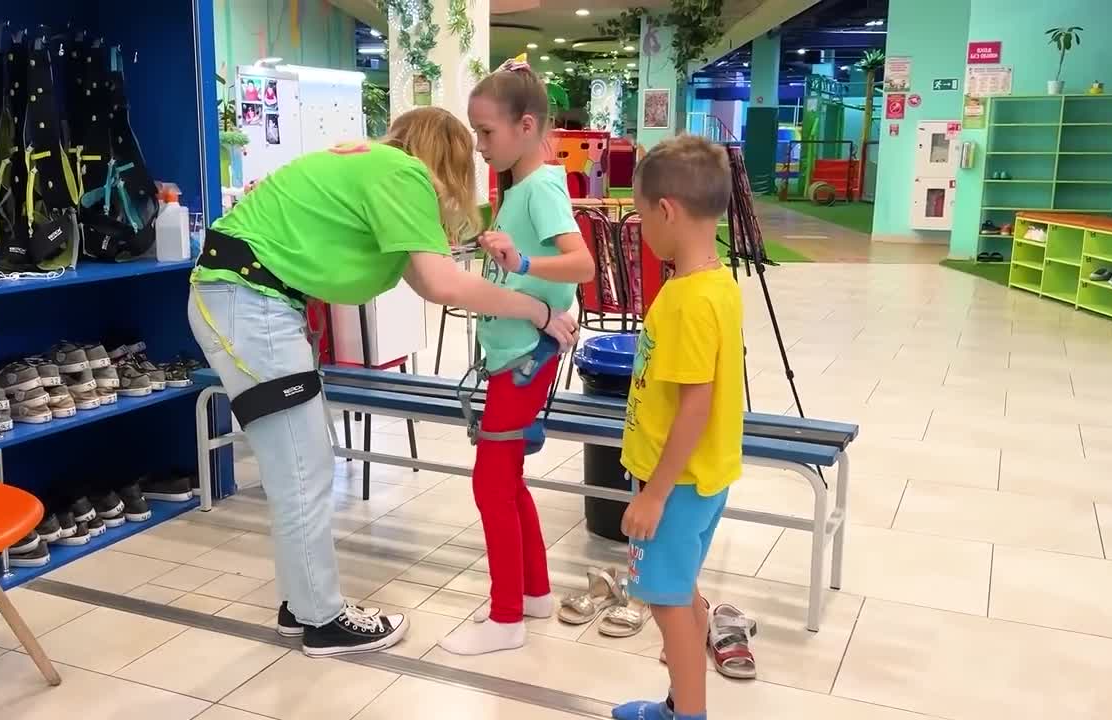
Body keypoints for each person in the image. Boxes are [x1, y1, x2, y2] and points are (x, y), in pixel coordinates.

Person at [187, 106, 579, 659]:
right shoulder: (404, 174)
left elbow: (425, 277)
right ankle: (322, 619)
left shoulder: (372, 163)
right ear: (447, 160)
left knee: (296, 464)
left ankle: (302, 604)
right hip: (249, 303)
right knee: (304, 469)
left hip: (239, 299)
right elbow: (443, 283)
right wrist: (537, 311)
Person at [438, 58, 595, 656]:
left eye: (487, 133)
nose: (480, 147)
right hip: (516, 353)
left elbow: (581, 265)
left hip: (525, 356)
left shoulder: (542, 186)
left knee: (491, 484)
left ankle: (505, 618)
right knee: (507, 481)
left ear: (526, 126)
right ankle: (533, 593)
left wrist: (521, 265)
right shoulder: (523, 188)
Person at [610, 135, 744, 720]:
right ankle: (677, 704)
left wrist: (655, 494)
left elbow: (695, 403)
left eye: (640, 216)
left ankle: (686, 714)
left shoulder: (686, 299)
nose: (641, 228)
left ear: (666, 210)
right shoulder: (720, 284)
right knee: (683, 592)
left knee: (667, 607)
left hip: (677, 484)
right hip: (704, 477)